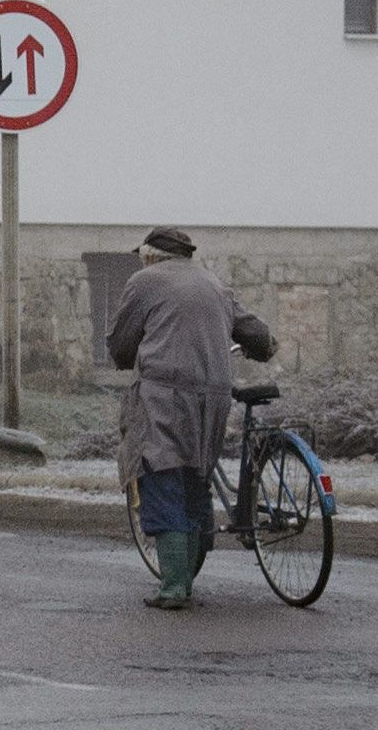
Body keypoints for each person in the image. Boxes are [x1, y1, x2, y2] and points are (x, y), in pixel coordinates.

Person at [104, 226, 279, 609]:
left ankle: (173, 587)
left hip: (165, 395)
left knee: (162, 474)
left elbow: (120, 345)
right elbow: (256, 333)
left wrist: (124, 358)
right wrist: (266, 348)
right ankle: (188, 573)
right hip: (215, 396)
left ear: (150, 255)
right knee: (198, 475)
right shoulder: (212, 282)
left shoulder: (144, 282)